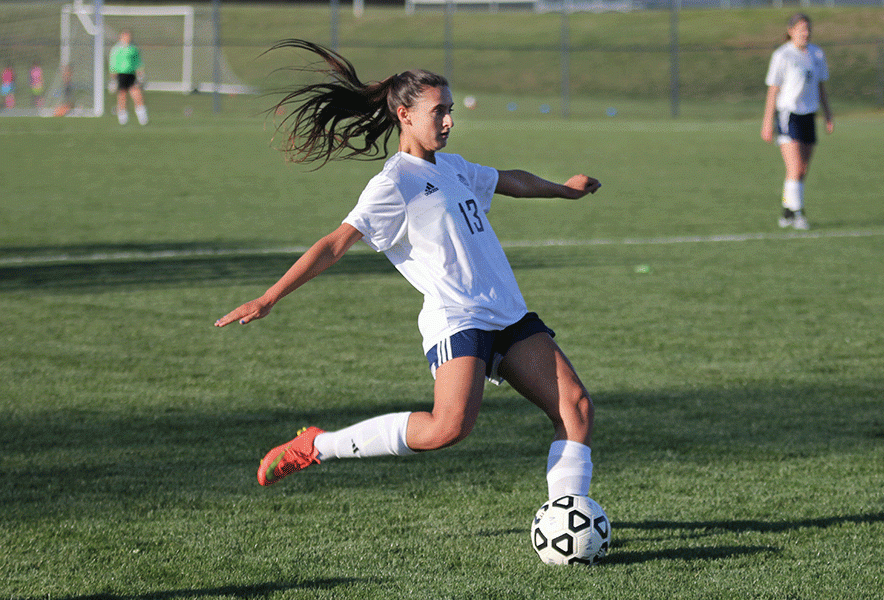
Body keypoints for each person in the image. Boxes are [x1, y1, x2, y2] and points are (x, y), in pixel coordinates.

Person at [215, 40, 602, 504]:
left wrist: (563, 190)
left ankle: (568, 514)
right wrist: (268, 297)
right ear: (404, 114)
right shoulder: (394, 184)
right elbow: (334, 245)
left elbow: (509, 179)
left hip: (507, 311)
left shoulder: (454, 167)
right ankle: (318, 445)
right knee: (447, 429)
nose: (450, 121)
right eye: (439, 111)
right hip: (457, 316)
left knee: (576, 409)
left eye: (451, 110)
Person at [761, 13, 833, 231]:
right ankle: (799, 213)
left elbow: (820, 86)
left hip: (808, 115)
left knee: (801, 169)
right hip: (788, 114)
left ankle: (787, 210)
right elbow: (773, 90)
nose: (805, 32)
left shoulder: (816, 53)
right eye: (801, 28)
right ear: (791, 31)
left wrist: (828, 114)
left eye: (808, 28)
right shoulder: (782, 55)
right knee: (793, 167)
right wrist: (767, 121)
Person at [108, 29, 148, 125]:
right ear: (121, 37)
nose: (127, 38)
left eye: (128, 36)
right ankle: (122, 117)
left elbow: (138, 63)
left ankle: (142, 116)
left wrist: (141, 75)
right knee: (122, 96)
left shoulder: (133, 49)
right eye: (125, 36)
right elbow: (113, 64)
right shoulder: (116, 49)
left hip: (131, 75)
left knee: (137, 95)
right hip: (121, 75)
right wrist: (113, 79)